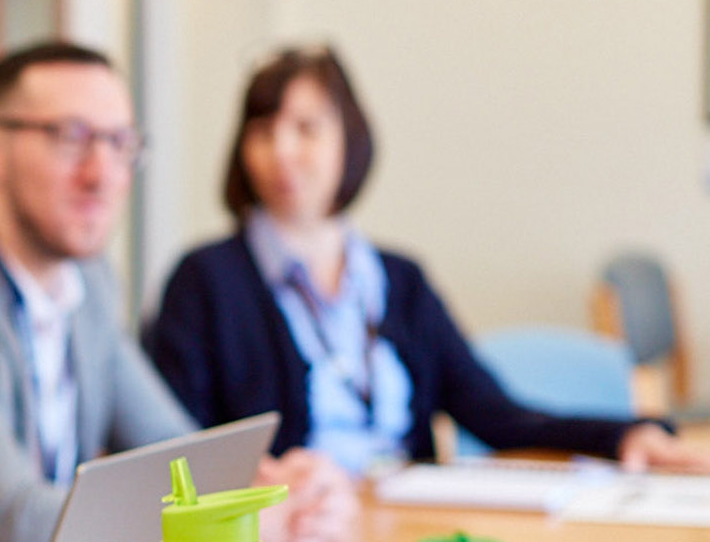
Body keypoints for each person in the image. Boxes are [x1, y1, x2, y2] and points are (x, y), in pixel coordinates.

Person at [0, 41, 356, 542]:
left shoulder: (89, 278)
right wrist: (234, 525)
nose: (102, 174)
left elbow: (180, 458)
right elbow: (16, 520)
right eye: (70, 137)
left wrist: (294, 492)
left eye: (120, 143)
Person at [143, 45, 710, 478]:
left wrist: (625, 436)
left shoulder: (398, 279)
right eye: (263, 129)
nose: (283, 151)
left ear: (350, 141)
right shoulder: (203, 281)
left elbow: (493, 413)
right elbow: (175, 452)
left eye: (307, 128)